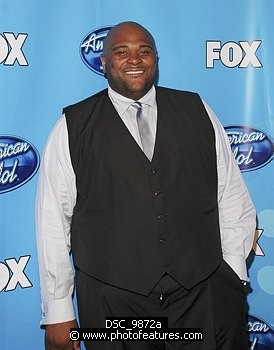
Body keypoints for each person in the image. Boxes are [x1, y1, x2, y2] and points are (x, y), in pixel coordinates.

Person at [36, 21, 256, 350]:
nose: (134, 59)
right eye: (121, 52)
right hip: (117, 303)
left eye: (144, 51)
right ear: (104, 62)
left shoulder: (197, 110)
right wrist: (57, 310)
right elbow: (53, 221)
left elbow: (231, 195)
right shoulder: (72, 126)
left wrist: (233, 274)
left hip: (201, 296)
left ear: (155, 58)